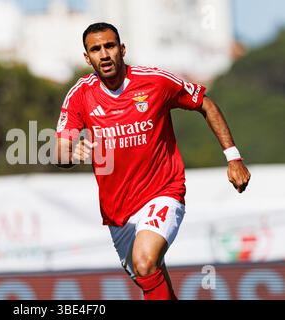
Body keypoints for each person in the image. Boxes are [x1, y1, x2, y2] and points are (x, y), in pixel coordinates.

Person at [55, 22, 251, 300]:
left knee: (145, 261)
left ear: (122, 49)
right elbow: (60, 150)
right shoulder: (80, 95)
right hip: (118, 210)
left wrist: (233, 158)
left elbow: (204, 104)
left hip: (163, 191)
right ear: (87, 58)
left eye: (110, 46)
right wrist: (70, 155)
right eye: (96, 49)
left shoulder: (155, 81)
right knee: (149, 274)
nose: (104, 54)